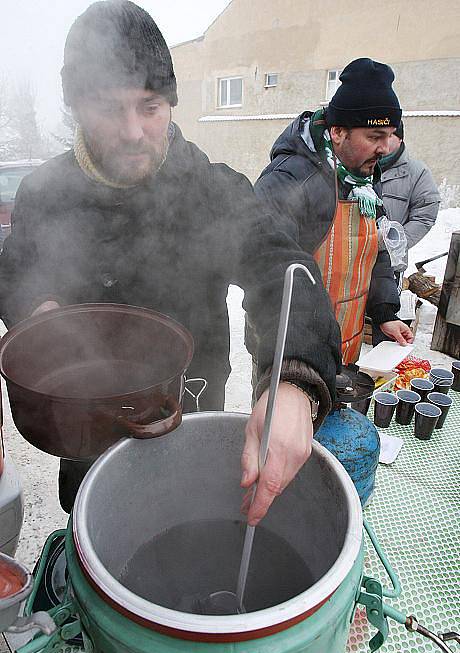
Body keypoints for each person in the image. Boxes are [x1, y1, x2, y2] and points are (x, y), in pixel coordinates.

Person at [0, 1, 341, 525]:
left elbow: (284, 269)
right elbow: (15, 269)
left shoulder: (211, 190)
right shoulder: (44, 194)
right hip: (82, 420)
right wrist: (35, 306)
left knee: (182, 521)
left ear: (171, 104)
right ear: (77, 106)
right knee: (97, 529)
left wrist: (292, 385)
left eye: (150, 106)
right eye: (111, 109)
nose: (134, 131)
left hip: (186, 409)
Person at [253, 58, 414, 366]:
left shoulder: (364, 179)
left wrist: (384, 313)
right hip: (292, 351)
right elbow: (265, 271)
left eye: (389, 136)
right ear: (338, 132)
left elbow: (374, 249)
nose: (385, 148)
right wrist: (294, 362)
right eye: (374, 137)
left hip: (344, 344)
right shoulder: (290, 178)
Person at [380, 120, 440, 278]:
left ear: (400, 139)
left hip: (390, 265)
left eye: (390, 134)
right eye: (378, 135)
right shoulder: (358, 167)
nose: (383, 140)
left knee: (386, 302)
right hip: (354, 260)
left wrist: (395, 243)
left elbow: (425, 216)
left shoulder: (417, 173)